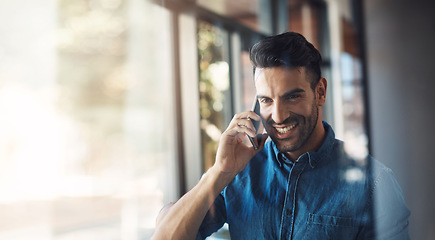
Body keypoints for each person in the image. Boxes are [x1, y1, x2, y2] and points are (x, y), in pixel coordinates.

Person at [151, 32, 410, 239]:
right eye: (266, 100)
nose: (277, 115)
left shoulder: (374, 183)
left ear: (320, 92)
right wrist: (220, 172)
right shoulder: (238, 173)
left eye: (292, 96)